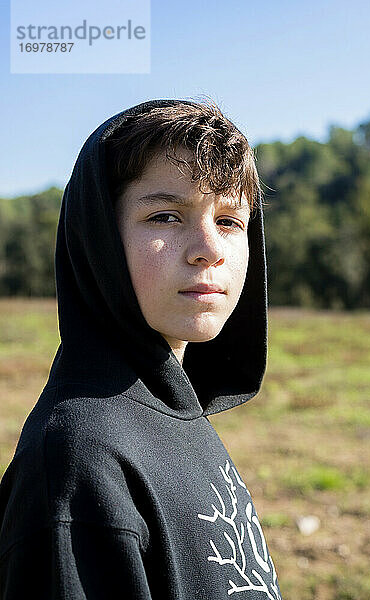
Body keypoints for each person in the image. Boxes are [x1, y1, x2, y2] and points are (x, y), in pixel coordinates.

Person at [0, 98, 282, 599]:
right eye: (166, 216)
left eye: (229, 220)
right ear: (99, 238)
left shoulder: (172, 412)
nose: (209, 248)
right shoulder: (79, 461)